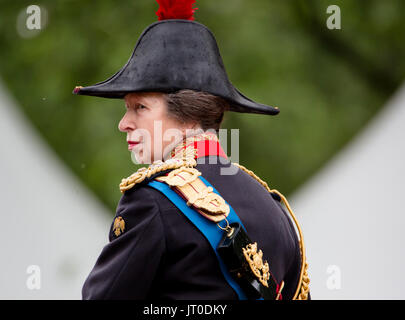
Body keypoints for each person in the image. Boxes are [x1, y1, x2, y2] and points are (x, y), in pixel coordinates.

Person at [74, 0, 309, 300]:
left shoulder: (150, 202)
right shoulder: (274, 208)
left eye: (139, 108)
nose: (124, 123)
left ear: (186, 117)